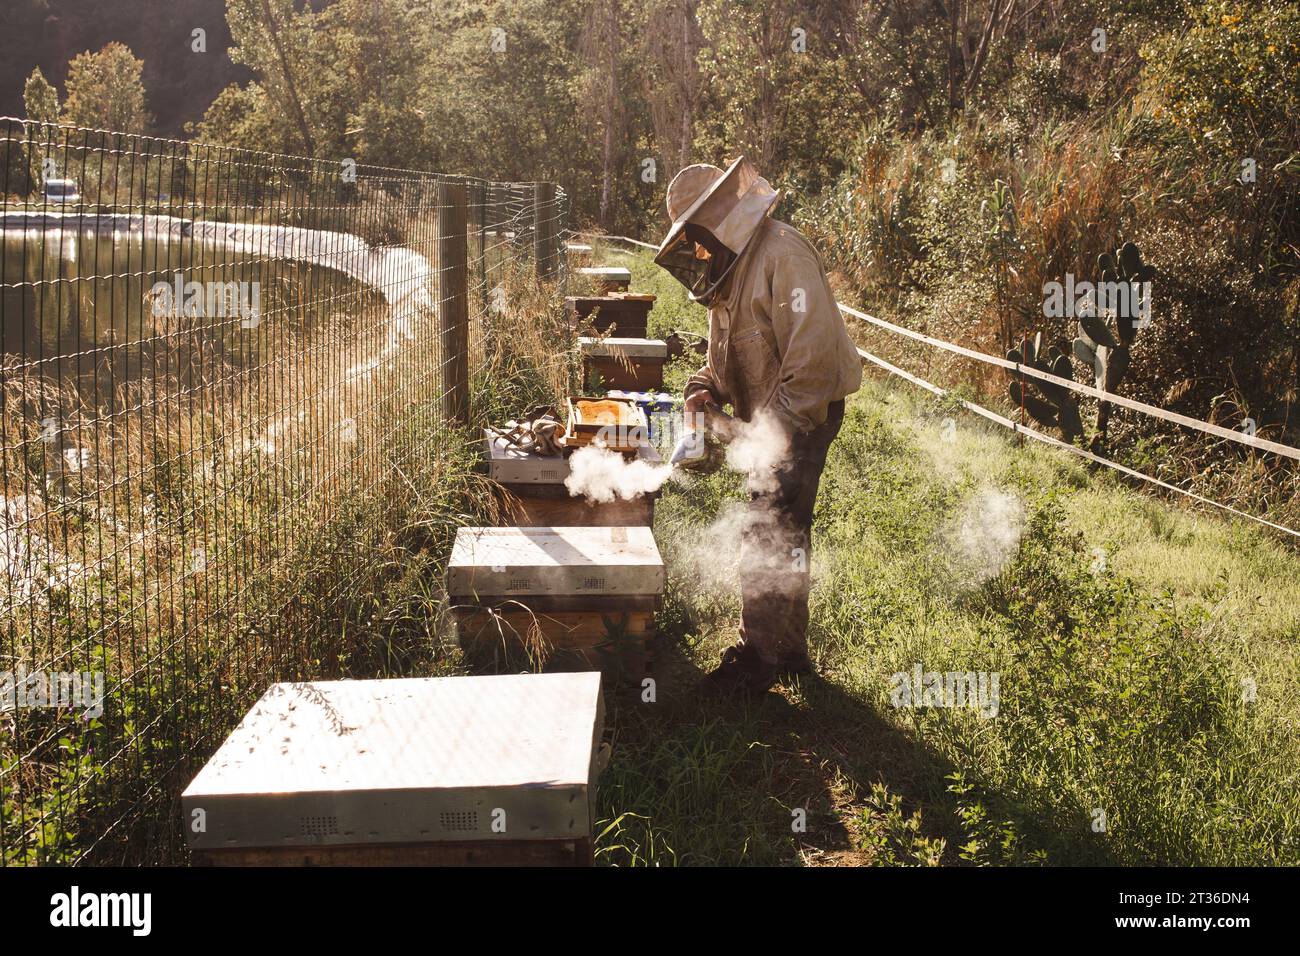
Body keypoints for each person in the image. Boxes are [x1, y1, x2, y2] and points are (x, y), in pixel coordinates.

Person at [655, 156, 863, 694]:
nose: (697, 249)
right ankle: (789, 652)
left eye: (699, 234)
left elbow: (811, 368)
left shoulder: (782, 255)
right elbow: (723, 361)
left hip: (803, 412)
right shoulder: (728, 274)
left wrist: (764, 442)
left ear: (722, 217)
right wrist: (701, 390)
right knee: (787, 526)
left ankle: (758, 658)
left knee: (766, 524)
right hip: (771, 414)